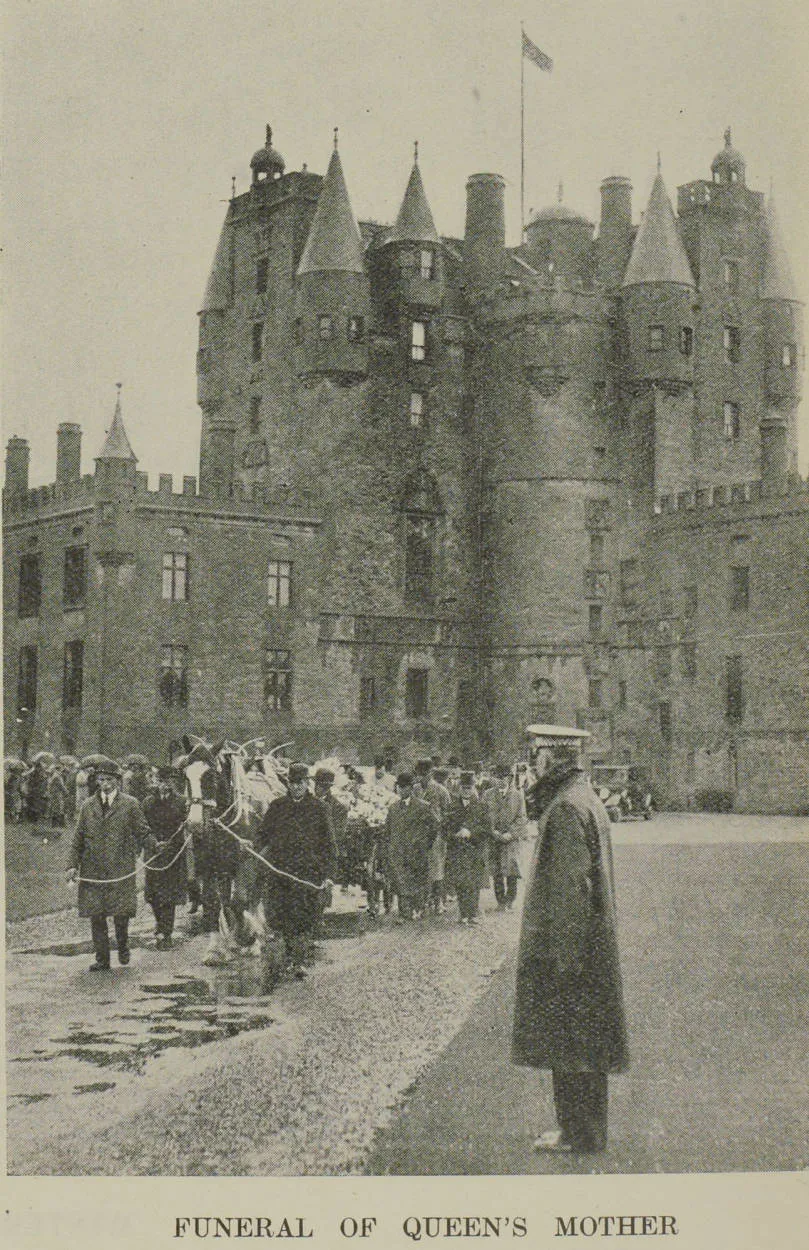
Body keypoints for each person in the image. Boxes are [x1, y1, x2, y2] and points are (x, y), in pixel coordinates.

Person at [511, 739, 629, 1154]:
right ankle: (587, 1131)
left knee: (570, 1043)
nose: (533, 767)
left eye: (536, 758)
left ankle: (577, 1134)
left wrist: (563, 957)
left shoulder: (563, 807)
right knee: (588, 1043)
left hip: (571, 949)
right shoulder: (585, 798)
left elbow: (569, 891)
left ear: (549, 759)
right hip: (590, 945)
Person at [66, 757, 150, 970]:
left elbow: (142, 831)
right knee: (97, 915)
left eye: (110, 780)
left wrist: (155, 845)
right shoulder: (87, 805)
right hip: (92, 867)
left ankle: (122, 946)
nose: (105, 784)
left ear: (118, 781)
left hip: (119, 866)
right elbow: (78, 839)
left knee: (121, 914)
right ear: (96, 782)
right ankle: (102, 959)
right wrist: (71, 865)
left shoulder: (130, 804)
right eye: (101, 779)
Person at [255, 762, 335, 977]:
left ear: (306, 783)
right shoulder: (277, 806)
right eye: (292, 783)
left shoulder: (319, 808)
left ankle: (298, 960)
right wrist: (252, 847)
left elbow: (329, 844)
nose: (296, 787)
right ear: (288, 784)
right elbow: (263, 834)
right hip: (281, 872)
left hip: (308, 872)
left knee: (304, 915)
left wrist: (328, 875)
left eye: (300, 783)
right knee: (283, 915)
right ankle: (292, 955)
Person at [142, 767, 189, 949]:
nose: (164, 785)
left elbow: (187, 823)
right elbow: (142, 827)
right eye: (161, 780)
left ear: (174, 783)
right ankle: (159, 923)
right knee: (153, 894)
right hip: (153, 852)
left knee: (168, 895)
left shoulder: (181, 802)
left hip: (173, 852)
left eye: (169, 781)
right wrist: (150, 844)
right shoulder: (148, 802)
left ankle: (165, 933)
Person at [380, 771, 436, 921]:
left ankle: (418, 908)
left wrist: (425, 845)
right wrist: (390, 847)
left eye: (405, 787)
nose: (401, 790)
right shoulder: (393, 808)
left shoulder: (423, 807)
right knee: (400, 881)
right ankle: (404, 913)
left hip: (417, 852)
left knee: (417, 881)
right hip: (398, 851)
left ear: (411, 788)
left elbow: (434, 827)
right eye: (399, 787)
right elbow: (388, 830)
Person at [444, 770, 492, 925]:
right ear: (459, 788)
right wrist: (455, 834)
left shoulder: (482, 807)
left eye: (469, 788)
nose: (466, 791)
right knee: (460, 883)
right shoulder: (452, 806)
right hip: (457, 850)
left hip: (475, 849)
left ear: (474, 788)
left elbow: (487, 829)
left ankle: (472, 914)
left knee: (473, 883)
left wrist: (470, 832)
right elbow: (444, 829)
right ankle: (463, 913)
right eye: (464, 788)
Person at [484, 761, 528, 911]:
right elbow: (482, 816)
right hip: (494, 838)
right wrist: (492, 831)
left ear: (509, 778)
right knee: (496, 871)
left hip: (511, 840)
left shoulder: (517, 796)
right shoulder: (488, 795)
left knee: (512, 871)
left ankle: (510, 899)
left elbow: (522, 818)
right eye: (497, 777)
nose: (500, 780)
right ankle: (500, 900)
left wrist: (511, 833)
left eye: (504, 777)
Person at [413, 759, 451, 913]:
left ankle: (439, 902)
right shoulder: (414, 789)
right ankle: (422, 902)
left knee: (437, 868)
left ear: (430, 773)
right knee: (421, 867)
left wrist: (443, 830)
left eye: (425, 774)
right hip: (418, 833)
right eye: (419, 774)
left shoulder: (441, 790)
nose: (422, 777)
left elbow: (448, 813)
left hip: (436, 833)